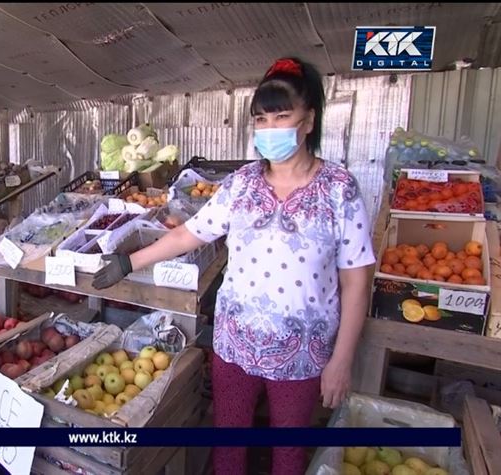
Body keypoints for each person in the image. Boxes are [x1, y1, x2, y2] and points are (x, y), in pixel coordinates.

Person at [92, 57, 375, 475]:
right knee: (228, 442)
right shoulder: (242, 183)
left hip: (302, 353)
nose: (271, 128)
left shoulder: (339, 189)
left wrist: (342, 360)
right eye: (261, 119)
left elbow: (357, 278)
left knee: (288, 454)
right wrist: (127, 261)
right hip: (235, 343)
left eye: (283, 116)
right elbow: (190, 234)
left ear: (309, 120)